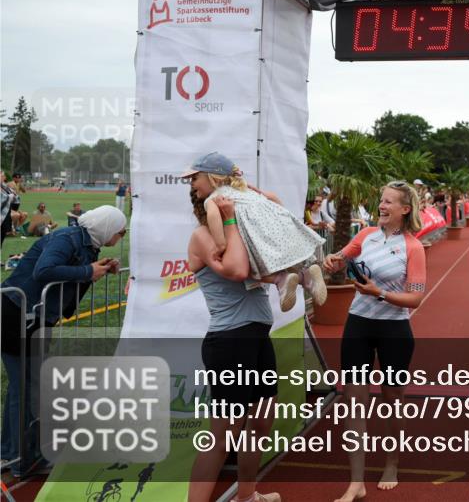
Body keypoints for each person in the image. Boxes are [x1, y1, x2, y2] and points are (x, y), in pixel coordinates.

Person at [1, 206, 126, 482]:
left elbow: (74, 274)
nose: (121, 236)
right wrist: (86, 270)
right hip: (17, 315)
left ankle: (11, 453)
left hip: (33, 317)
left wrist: (97, 269)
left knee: (23, 388)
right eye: (120, 231)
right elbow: (44, 271)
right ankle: (25, 459)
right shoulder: (67, 238)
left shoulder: (86, 242)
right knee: (28, 389)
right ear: (107, 227)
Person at [322, 180, 427, 502]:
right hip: (358, 326)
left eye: (389, 202)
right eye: (381, 200)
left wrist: (378, 292)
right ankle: (356, 482)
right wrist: (332, 261)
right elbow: (339, 257)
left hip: (394, 331)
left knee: (392, 402)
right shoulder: (366, 235)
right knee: (354, 404)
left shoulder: (413, 247)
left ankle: (392, 464)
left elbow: (415, 300)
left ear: (404, 209)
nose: (381, 206)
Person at [185, 192, 281, 502]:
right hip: (230, 341)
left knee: (261, 421)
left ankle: (247, 497)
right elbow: (238, 271)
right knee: (223, 434)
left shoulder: (238, 237)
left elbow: (275, 207)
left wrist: (246, 189)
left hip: (255, 338)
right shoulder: (202, 237)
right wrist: (228, 219)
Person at [180, 152, 327, 313]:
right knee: (280, 259)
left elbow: (214, 216)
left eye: (195, 179)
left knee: (253, 264)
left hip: (252, 232)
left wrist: (220, 245)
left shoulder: (214, 199)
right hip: (274, 222)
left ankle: (281, 279)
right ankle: (306, 275)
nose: (192, 184)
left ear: (212, 178)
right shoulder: (244, 192)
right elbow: (274, 201)